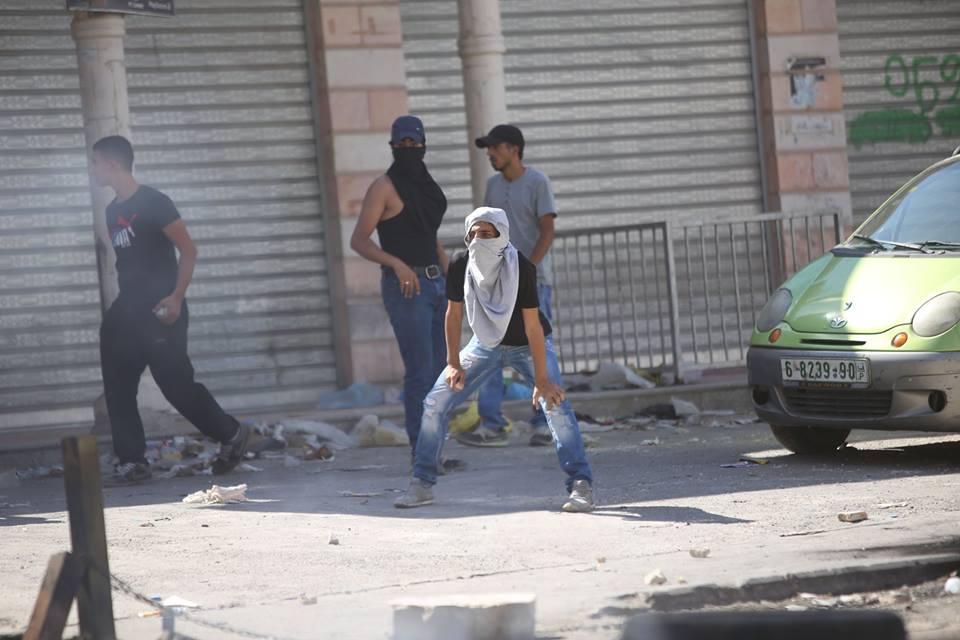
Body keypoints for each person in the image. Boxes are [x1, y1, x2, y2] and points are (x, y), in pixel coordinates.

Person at [394, 207, 594, 512]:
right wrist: (453, 363)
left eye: (487, 234)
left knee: (555, 404)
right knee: (435, 401)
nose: (479, 240)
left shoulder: (521, 267)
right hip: (485, 343)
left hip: (527, 344)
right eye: (473, 234)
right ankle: (421, 484)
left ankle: (581, 485)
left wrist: (542, 380)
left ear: (502, 235)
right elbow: (453, 315)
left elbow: (532, 326)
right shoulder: (461, 263)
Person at [92, 135, 250, 483]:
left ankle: (231, 433)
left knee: (176, 384)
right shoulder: (112, 210)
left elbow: (189, 251)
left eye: (96, 162)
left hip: (161, 307)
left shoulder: (155, 202)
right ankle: (132, 460)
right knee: (118, 386)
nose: (93, 170)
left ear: (112, 164)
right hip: (127, 310)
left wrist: (177, 297)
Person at [350, 116, 449, 452]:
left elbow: (430, 237)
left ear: (423, 144)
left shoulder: (426, 185)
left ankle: (435, 450)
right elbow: (359, 240)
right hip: (408, 289)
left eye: (414, 143)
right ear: (392, 146)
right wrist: (396, 263)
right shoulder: (383, 187)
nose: (409, 148)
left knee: (440, 372)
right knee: (420, 372)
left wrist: (451, 278)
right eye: (402, 143)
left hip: (437, 285)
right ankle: (422, 455)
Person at [459, 124, 558, 448]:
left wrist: (528, 268)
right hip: (497, 287)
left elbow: (547, 230)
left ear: (514, 149)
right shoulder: (492, 186)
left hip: (533, 284)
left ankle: (546, 423)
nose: (490, 154)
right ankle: (493, 424)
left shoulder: (538, 182)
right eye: (488, 149)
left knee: (537, 352)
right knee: (489, 351)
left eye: (495, 147)